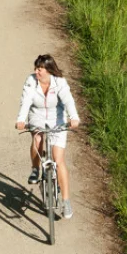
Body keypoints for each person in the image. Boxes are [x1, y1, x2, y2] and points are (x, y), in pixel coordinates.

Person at [15, 53, 80, 219]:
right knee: (37, 139)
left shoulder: (60, 82)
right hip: (37, 116)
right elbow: (26, 101)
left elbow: (68, 100)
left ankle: (66, 201)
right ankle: (35, 169)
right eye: (36, 68)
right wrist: (21, 119)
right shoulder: (31, 81)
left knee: (58, 159)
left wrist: (74, 117)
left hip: (57, 119)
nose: (36, 71)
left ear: (49, 70)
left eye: (40, 69)